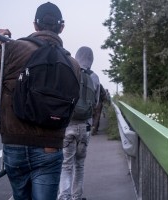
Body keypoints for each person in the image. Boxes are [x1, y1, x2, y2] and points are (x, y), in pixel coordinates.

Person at [0, 2, 80, 200]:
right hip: (50, 146)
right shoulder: (73, 64)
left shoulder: (14, 49)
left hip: (15, 144)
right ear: (61, 28)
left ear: (35, 25)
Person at [58, 46, 100, 200]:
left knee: (66, 165)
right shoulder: (94, 77)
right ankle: (77, 196)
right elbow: (95, 103)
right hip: (85, 127)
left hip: (68, 126)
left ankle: (64, 197)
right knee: (79, 165)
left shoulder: (68, 72)